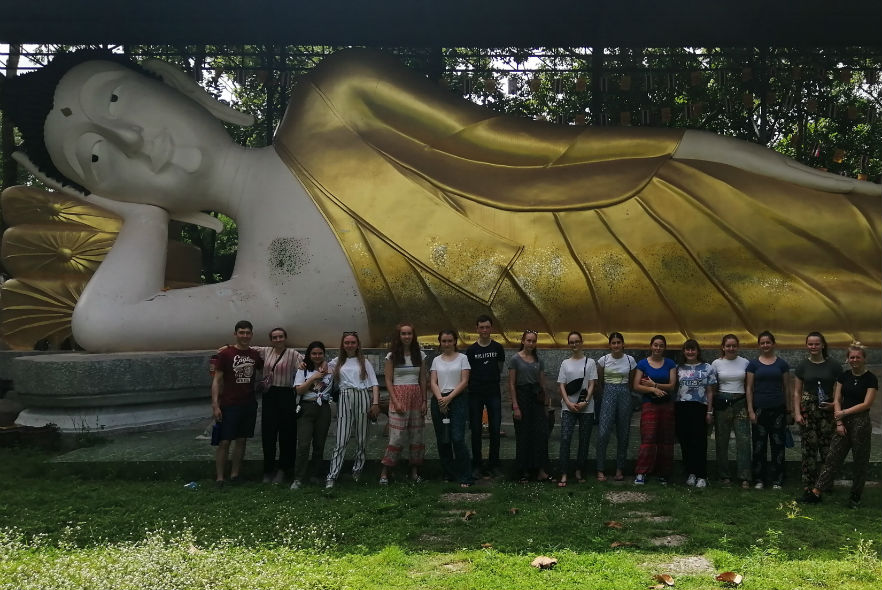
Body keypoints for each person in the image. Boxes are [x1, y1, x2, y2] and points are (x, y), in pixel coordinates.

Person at [4, 49, 879, 353]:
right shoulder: (249, 298)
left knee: (853, 235)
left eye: (117, 101)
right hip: (633, 310)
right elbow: (105, 324)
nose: (126, 140)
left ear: (173, 80)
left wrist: (814, 179)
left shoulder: (337, 98)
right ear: (103, 191)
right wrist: (142, 220)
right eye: (92, 156)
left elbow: (560, 152)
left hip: (653, 215)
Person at [800, 344, 877, 508]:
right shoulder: (844, 376)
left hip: (860, 422)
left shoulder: (871, 378)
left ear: (864, 359)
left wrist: (845, 412)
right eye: (851, 357)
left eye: (858, 357)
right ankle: (816, 492)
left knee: (860, 461)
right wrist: (839, 421)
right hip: (842, 420)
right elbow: (837, 400)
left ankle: (855, 497)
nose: (854, 360)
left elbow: (867, 403)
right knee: (832, 458)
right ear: (847, 359)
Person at [210, 320, 264, 486]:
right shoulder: (226, 354)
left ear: (252, 335)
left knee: (241, 440)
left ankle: (235, 475)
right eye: (241, 332)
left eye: (248, 333)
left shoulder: (254, 355)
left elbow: (265, 368)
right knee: (224, 441)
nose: (245, 336)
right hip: (229, 403)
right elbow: (217, 380)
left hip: (248, 403)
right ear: (235, 334)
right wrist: (215, 404)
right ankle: (220, 477)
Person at [325, 331, 380, 489]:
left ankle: (357, 470)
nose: (350, 345)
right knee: (341, 438)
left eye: (352, 342)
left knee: (362, 437)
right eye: (347, 342)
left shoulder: (364, 362)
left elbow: (374, 384)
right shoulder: (336, 362)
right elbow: (319, 365)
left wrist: (375, 403)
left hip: (362, 395)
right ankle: (332, 475)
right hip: (344, 396)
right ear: (343, 344)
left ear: (357, 344)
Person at [251, 327, 303, 484]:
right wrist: (227, 347)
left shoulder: (293, 354)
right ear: (271, 339)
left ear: (285, 338)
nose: (278, 339)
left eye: (281, 336)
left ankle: (283, 469)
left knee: (287, 434)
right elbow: (244, 348)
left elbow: (307, 365)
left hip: (286, 394)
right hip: (269, 395)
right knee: (269, 434)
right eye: (275, 337)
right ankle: (268, 469)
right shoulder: (265, 351)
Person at [792, 331, 842, 492]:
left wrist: (835, 405)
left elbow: (840, 390)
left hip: (826, 411)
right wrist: (797, 413)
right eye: (810, 344)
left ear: (823, 345)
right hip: (808, 411)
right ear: (807, 346)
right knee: (808, 449)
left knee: (827, 449)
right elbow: (797, 392)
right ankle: (808, 484)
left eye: (816, 344)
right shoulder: (802, 366)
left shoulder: (834, 365)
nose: (813, 347)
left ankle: (825, 484)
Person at [379, 322, 428, 484]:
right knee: (396, 437)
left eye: (409, 334)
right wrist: (395, 400)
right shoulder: (392, 356)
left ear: (413, 336)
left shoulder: (419, 355)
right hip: (399, 395)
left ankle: (414, 471)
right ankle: (386, 471)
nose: (406, 336)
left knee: (416, 436)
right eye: (403, 334)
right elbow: (388, 379)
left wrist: (424, 401)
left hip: (416, 396)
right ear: (399, 336)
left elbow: (422, 378)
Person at [746, 331, 792, 490]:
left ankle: (778, 479)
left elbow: (787, 388)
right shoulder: (753, 365)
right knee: (759, 446)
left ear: (773, 344)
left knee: (778, 445)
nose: (765, 345)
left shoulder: (782, 364)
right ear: (759, 345)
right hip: (759, 409)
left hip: (778, 409)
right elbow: (749, 388)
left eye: (768, 342)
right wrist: (751, 410)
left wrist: (788, 409)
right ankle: (759, 479)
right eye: (762, 343)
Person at [632, 335, 677, 485]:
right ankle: (642, 472)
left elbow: (672, 386)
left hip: (666, 405)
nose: (658, 348)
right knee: (648, 437)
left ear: (664, 348)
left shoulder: (670, 363)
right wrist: (652, 390)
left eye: (661, 346)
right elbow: (637, 386)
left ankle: (664, 473)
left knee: (666, 439)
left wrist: (655, 385)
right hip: (649, 404)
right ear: (651, 346)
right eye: (655, 345)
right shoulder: (643, 364)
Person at [430, 329, 473, 487]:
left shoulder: (463, 358)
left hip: (457, 399)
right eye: (444, 341)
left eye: (449, 341)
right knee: (443, 439)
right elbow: (433, 381)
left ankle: (466, 476)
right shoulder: (436, 360)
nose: (447, 344)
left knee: (457, 438)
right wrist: (441, 399)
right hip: (439, 400)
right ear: (440, 342)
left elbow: (464, 381)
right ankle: (448, 473)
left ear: (455, 341)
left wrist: (449, 398)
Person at [465, 314, 506, 479]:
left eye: (487, 327)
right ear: (477, 329)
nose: (484, 330)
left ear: (491, 328)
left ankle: (493, 465)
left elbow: (500, 368)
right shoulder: (471, 350)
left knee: (495, 429)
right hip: (475, 393)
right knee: (475, 430)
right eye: (481, 327)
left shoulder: (497, 348)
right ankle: (477, 465)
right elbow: (468, 372)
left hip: (493, 392)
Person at [556, 331, 597, 486]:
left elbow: (592, 383)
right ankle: (564, 472)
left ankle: (579, 470)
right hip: (568, 407)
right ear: (569, 344)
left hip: (586, 407)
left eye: (577, 341)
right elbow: (561, 385)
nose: (574, 345)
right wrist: (568, 403)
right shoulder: (565, 363)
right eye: (571, 342)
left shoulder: (591, 362)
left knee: (584, 440)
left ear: (581, 342)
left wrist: (585, 402)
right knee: (566, 439)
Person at [510, 330, 552, 482]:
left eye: (533, 341)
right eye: (528, 340)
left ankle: (541, 470)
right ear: (523, 341)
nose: (531, 343)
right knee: (523, 435)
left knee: (540, 434)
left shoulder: (538, 360)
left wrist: (546, 403)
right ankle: (523, 471)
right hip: (522, 397)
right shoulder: (515, 359)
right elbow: (512, 384)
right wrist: (515, 406)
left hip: (536, 399)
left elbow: (542, 382)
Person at [290, 341, 333, 490]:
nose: (317, 356)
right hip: (307, 407)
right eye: (314, 353)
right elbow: (299, 390)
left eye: (320, 353)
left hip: (323, 409)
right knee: (303, 444)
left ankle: (315, 475)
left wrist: (326, 365)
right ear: (309, 354)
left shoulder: (330, 369)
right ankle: (298, 477)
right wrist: (313, 378)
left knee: (319, 444)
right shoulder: (303, 370)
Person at [674, 339, 717, 488]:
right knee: (685, 442)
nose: (690, 352)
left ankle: (701, 475)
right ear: (684, 351)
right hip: (682, 407)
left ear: (698, 351)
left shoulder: (707, 368)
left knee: (699, 442)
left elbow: (710, 391)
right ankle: (690, 473)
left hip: (700, 407)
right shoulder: (677, 368)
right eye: (687, 349)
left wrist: (710, 411)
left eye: (693, 349)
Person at [711, 334, 751, 488]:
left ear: (738, 347)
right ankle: (724, 475)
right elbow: (713, 386)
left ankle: (744, 476)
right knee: (722, 440)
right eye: (728, 346)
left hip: (740, 401)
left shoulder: (745, 362)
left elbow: (748, 385)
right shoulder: (716, 363)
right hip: (722, 402)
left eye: (734, 346)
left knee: (744, 440)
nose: (731, 348)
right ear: (723, 347)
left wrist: (749, 404)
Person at [595, 332, 637, 482]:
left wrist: (626, 393)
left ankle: (620, 469)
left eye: (619, 342)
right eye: (613, 343)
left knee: (623, 432)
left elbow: (632, 381)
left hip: (624, 393)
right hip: (608, 392)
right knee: (603, 432)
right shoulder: (603, 360)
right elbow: (598, 382)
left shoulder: (630, 360)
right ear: (610, 345)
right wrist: (605, 394)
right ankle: (600, 469)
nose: (616, 345)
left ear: (623, 344)